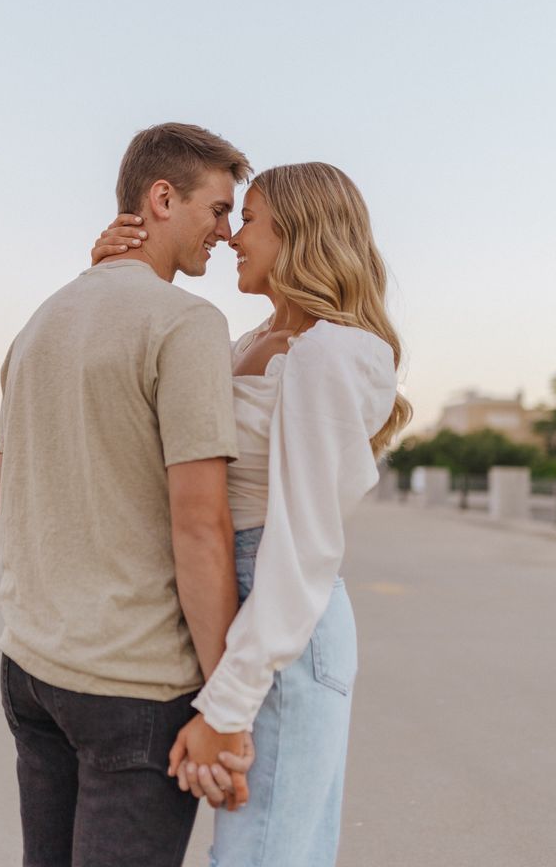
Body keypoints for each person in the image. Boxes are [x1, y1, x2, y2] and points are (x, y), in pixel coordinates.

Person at [91, 160, 412, 867]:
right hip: (238, 606)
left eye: (252, 219)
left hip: (284, 620)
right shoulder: (249, 344)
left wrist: (225, 709)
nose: (234, 236)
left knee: (262, 856)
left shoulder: (331, 351)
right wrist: (116, 274)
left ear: (299, 231)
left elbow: (303, 549)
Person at [0, 122, 255, 867]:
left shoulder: (38, 324)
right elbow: (201, 526)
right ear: (162, 197)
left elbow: (10, 491)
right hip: (131, 687)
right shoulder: (186, 324)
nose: (226, 232)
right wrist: (226, 703)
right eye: (217, 209)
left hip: (32, 668)